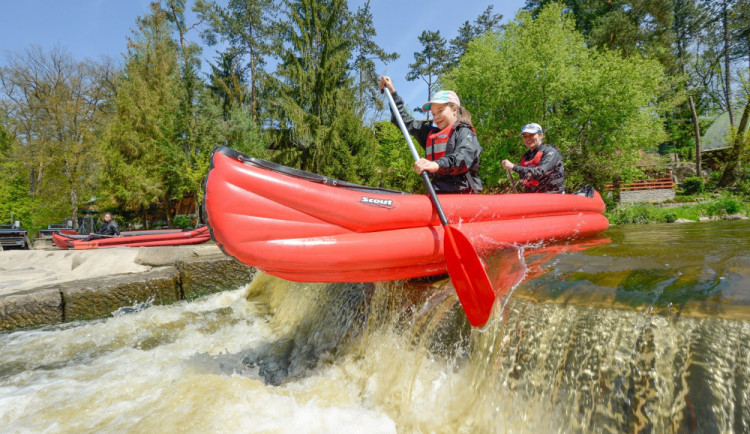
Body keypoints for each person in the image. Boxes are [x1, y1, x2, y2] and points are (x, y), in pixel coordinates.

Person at [379, 76, 483, 194]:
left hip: (463, 193)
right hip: (438, 193)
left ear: (454, 109)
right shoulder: (429, 133)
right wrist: (392, 93)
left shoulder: (464, 132)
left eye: (440, 111)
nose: (436, 117)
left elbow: (463, 158)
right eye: (433, 113)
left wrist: (436, 164)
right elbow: (403, 121)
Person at [502, 123, 565, 193]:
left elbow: (539, 173)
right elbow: (525, 177)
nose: (528, 138)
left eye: (532, 135)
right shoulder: (526, 156)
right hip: (532, 196)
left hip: (552, 195)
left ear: (541, 135)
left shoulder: (551, 152)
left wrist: (513, 167)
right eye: (525, 136)